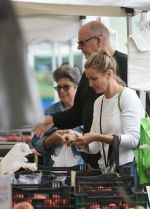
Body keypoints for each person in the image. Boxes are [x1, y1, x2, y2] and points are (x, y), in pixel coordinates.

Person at [32, 20, 127, 168]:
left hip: (121, 161)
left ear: (98, 40)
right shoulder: (87, 75)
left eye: (82, 43)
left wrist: (95, 137)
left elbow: (137, 129)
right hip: (94, 160)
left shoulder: (128, 66)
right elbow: (78, 111)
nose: (79, 47)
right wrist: (53, 119)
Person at [70, 50, 145, 191]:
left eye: (94, 79)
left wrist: (95, 136)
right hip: (108, 173)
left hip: (128, 172)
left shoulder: (127, 97)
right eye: (88, 79)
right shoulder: (99, 102)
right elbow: (95, 148)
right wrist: (78, 141)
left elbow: (134, 139)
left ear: (109, 74)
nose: (90, 84)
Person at [32, 64, 83, 167]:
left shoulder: (86, 112)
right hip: (53, 171)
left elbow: (95, 145)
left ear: (76, 87)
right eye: (58, 87)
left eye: (66, 87)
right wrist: (51, 140)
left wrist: (77, 138)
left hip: (81, 169)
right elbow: (36, 144)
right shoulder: (49, 113)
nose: (61, 91)